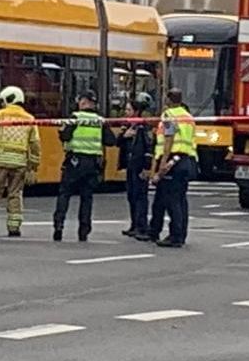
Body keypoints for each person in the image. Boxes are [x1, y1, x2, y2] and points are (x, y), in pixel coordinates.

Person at [0, 85, 41, 236]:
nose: (1, 104)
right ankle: (14, 227)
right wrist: (33, 166)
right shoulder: (29, 119)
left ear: (9, 99)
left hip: (1, 161)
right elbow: (35, 144)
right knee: (15, 194)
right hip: (20, 163)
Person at [53, 89, 112, 242]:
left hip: (75, 162)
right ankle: (83, 231)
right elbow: (110, 140)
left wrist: (62, 132)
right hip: (93, 164)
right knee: (87, 198)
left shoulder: (75, 117)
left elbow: (65, 136)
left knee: (65, 194)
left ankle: (59, 225)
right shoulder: (100, 121)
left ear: (83, 102)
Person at [148, 88, 197, 248]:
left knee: (172, 200)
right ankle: (181, 234)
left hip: (172, 159)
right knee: (181, 200)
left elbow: (169, 138)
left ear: (168, 99)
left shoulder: (169, 115)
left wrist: (162, 164)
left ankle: (175, 236)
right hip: (185, 159)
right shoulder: (188, 117)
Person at [116, 92, 156, 239]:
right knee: (131, 196)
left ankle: (142, 227)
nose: (126, 112)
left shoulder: (143, 127)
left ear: (136, 111)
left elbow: (149, 147)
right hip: (130, 165)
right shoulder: (127, 126)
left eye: (128, 110)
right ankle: (134, 225)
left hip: (139, 165)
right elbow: (117, 142)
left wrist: (147, 167)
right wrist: (124, 136)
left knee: (140, 196)